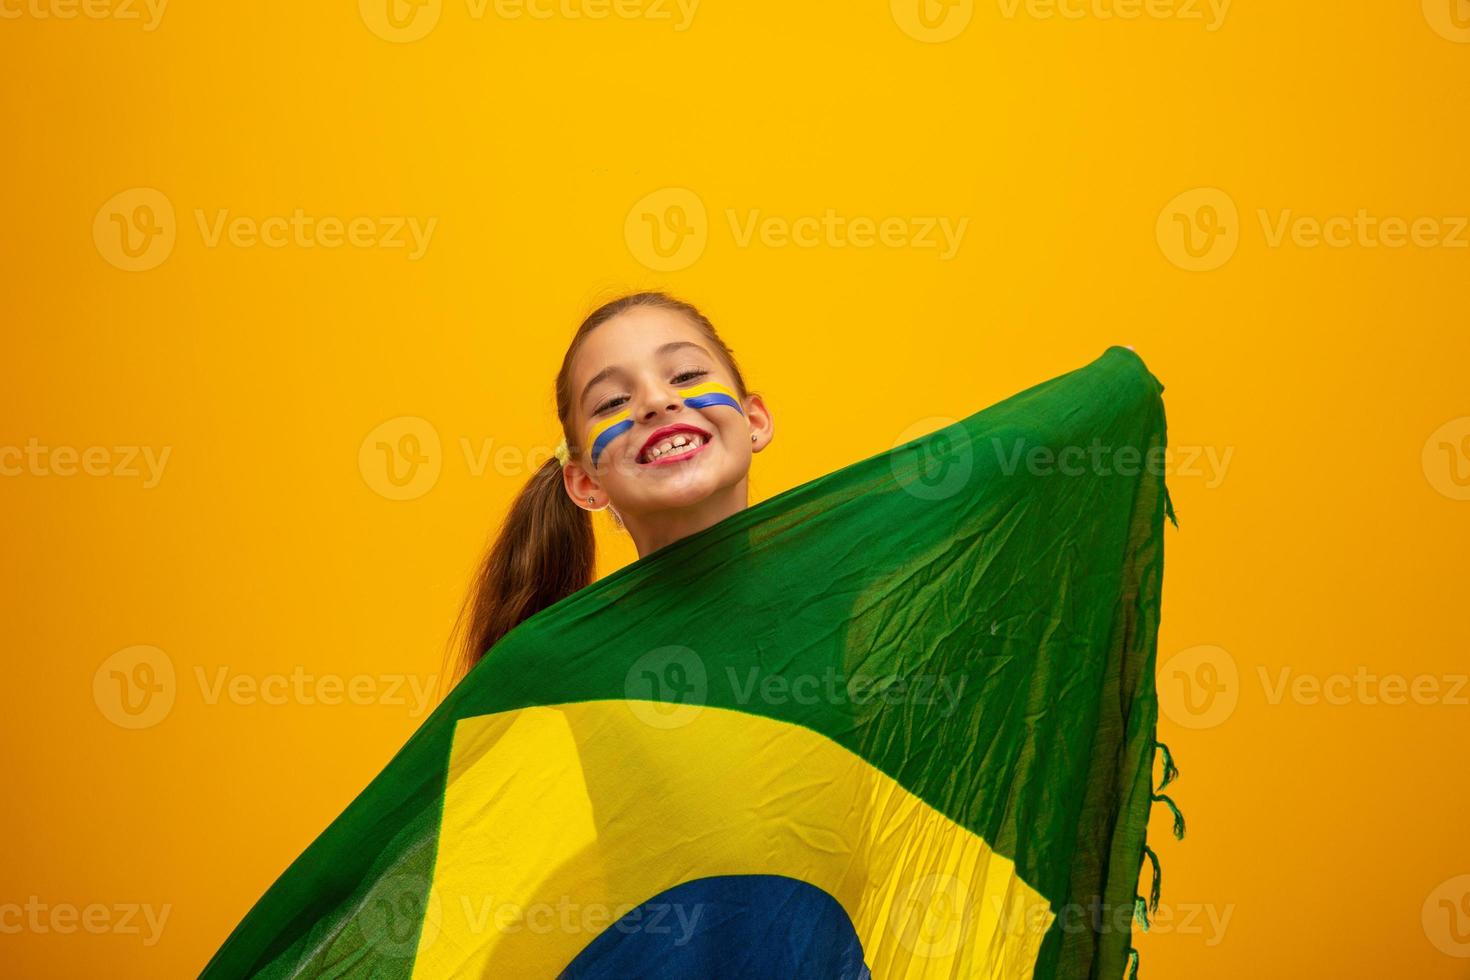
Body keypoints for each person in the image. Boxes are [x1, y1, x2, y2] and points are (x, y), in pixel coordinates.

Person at [451, 291, 775, 683]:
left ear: (753, 421)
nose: (656, 400)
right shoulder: (560, 673)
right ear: (586, 480)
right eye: (612, 402)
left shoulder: (849, 602)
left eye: (686, 374)